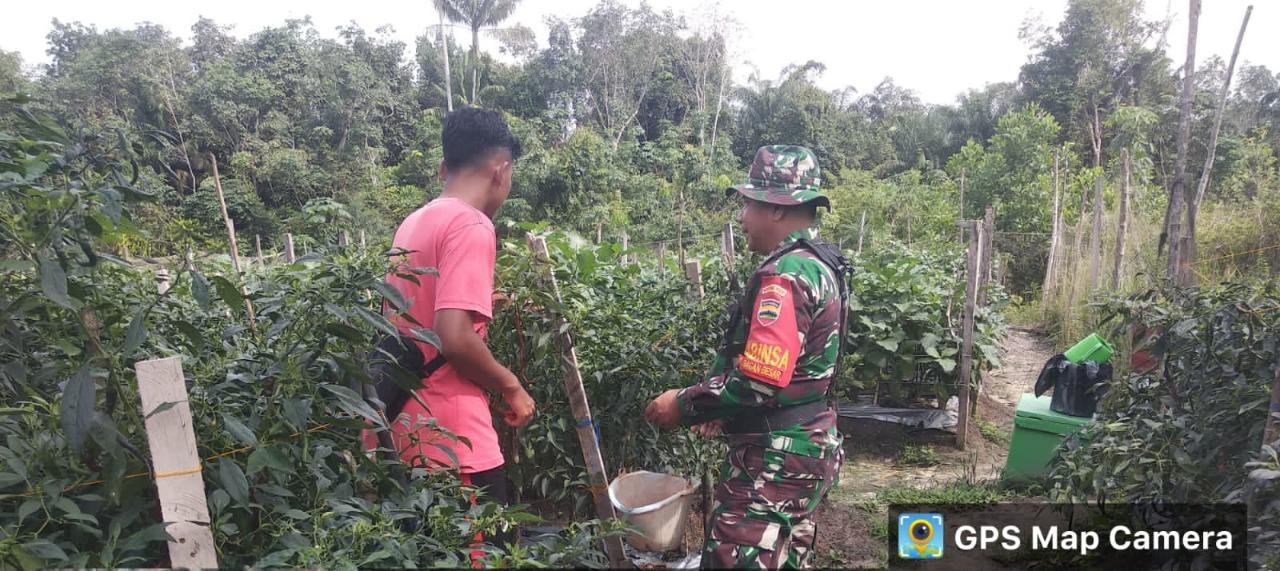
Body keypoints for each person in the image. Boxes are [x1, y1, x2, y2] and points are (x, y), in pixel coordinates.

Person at [645, 145, 849, 569]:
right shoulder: (819, 264)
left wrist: (683, 405)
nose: (742, 218)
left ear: (776, 208)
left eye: (748, 204)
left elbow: (761, 379)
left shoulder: (784, 276)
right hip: (807, 444)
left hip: (774, 458)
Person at [380, 107, 536, 511]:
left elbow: (415, 319)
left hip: (405, 429)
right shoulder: (472, 224)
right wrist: (510, 386)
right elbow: (453, 336)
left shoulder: (414, 222)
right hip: (454, 443)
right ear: (500, 171)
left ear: (441, 168)